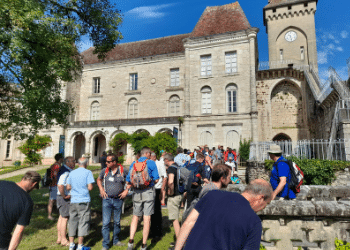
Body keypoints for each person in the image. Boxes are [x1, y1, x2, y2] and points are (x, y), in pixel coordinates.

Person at [174, 179, 273, 250]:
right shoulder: (254, 222)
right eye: (266, 204)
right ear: (260, 198)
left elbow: (188, 223)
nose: (263, 208)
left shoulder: (212, 195)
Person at [124, 147, 159, 250]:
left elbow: (128, 181)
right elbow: (156, 180)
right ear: (147, 153)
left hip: (136, 193)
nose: (150, 155)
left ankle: (131, 241)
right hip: (148, 192)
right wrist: (149, 182)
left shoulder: (133, 164)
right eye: (150, 153)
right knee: (147, 218)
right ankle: (143, 245)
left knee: (135, 217)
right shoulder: (151, 163)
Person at [0, 171, 41, 250]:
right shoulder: (27, 202)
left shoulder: (2, 183)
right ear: (34, 184)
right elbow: (19, 230)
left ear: (23, 178)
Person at [97, 154, 126, 250]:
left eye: (108, 162)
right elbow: (98, 179)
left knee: (117, 222)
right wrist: (101, 189)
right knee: (105, 223)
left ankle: (116, 240)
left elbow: (131, 180)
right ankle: (105, 245)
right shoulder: (104, 170)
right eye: (106, 161)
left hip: (118, 200)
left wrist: (126, 190)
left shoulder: (123, 170)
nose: (106, 163)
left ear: (114, 162)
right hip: (107, 199)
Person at [66, 157, 95, 250]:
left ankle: (71, 244)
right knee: (83, 221)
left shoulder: (72, 172)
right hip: (83, 199)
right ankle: (80, 245)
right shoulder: (88, 172)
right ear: (86, 164)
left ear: (78, 164)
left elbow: (68, 187)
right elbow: (90, 187)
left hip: (73, 199)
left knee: (72, 221)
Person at [163, 153, 183, 248]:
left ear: (167, 160)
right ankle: (180, 242)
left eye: (164, 160)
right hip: (180, 195)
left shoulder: (171, 168)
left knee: (174, 220)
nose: (163, 162)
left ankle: (179, 244)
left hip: (174, 196)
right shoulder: (177, 166)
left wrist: (170, 192)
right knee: (176, 219)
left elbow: (170, 181)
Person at [56, 156, 76, 246]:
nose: (74, 163)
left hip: (61, 196)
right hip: (64, 197)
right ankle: (64, 239)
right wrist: (64, 195)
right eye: (73, 161)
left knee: (61, 217)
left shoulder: (65, 170)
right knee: (65, 218)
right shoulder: (66, 171)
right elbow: (60, 184)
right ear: (67, 162)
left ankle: (59, 238)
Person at [150, 152, 167, 242]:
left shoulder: (159, 164)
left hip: (157, 189)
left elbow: (165, 177)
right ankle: (152, 231)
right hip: (149, 190)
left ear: (153, 157)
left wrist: (162, 189)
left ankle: (158, 233)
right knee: (150, 212)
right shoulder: (149, 163)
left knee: (156, 211)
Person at [48, 153, 64, 220]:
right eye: (63, 158)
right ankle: (50, 215)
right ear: (60, 159)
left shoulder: (55, 165)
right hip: (55, 185)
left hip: (53, 185)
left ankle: (54, 215)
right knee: (52, 200)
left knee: (53, 200)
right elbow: (55, 175)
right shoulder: (57, 166)